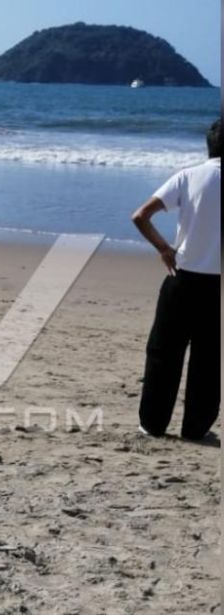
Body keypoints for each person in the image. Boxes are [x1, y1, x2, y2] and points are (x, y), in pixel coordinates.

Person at [130, 118, 220, 441]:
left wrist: (163, 248)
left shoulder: (188, 176)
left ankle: (152, 424)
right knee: (209, 361)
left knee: (164, 352)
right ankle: (195, 429)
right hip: (217, 286)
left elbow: (140, 216)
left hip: (181, 278)